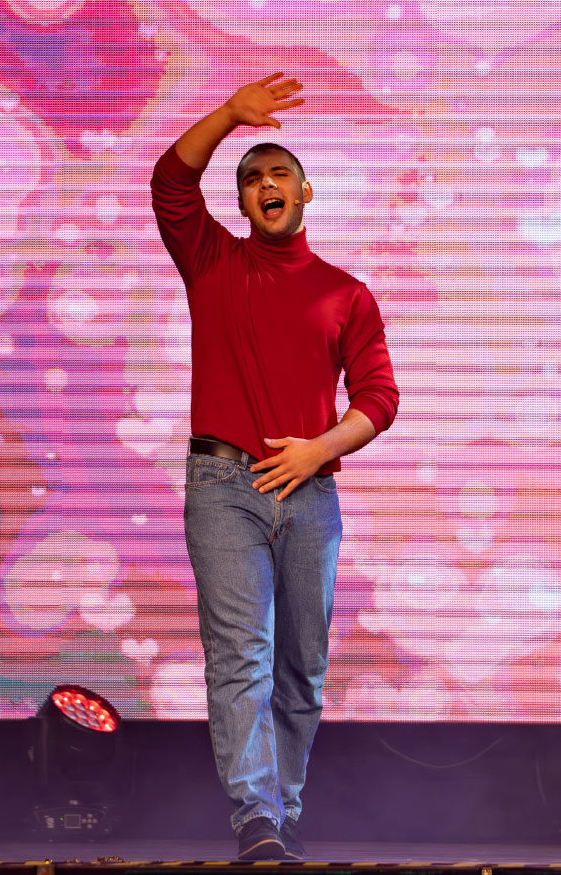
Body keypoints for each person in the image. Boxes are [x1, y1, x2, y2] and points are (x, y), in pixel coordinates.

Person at [150, 74, 399, 860]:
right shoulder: (212, 262)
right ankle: (255, 818)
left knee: (301, 669)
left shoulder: (345, 294)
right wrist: (229, 114)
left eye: (278, 172)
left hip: (311, 494)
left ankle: (279, 816)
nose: (266, 183)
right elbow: (170, 181)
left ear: (303, 192)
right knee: (241, 658)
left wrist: (320, 448)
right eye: (252, 176)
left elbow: (379, 396)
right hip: (224, 488)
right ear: (242, 201)